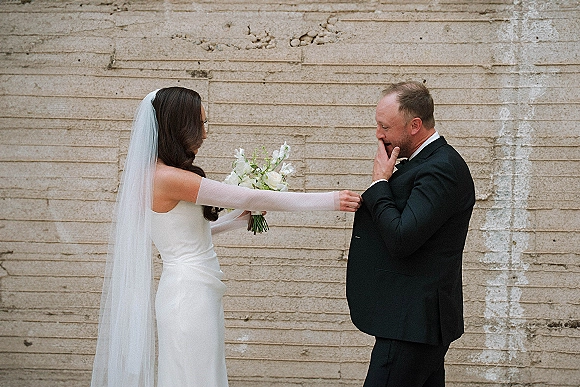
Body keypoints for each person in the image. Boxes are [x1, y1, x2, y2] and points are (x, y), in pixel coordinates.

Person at [91, 87, 362, 387]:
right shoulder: (170, 178)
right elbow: (251, 196)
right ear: (180, 126)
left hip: (189, 288)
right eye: (201, 124)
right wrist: (331, 200)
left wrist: (234, 221)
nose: (205, 134)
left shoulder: (152, 174)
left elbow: (185, 239)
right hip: (189, 295)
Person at [346, 81, 475, 386]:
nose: (379, 134)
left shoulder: (440, 169)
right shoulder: (423, 164)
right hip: (413, 323)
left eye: (384, 126)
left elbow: (402, 238)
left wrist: (379, 184)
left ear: (414, 125)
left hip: (412, 324)